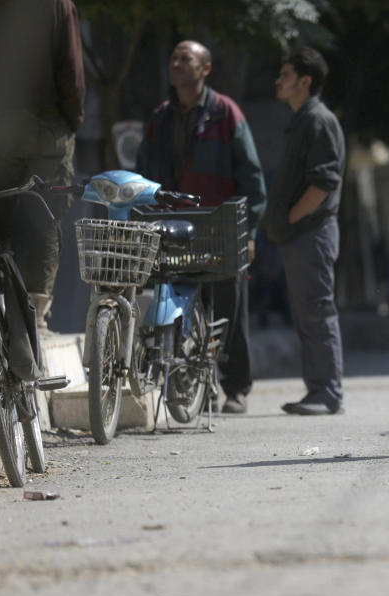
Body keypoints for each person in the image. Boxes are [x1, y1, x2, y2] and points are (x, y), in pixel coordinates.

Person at [135, 40, 267, 414]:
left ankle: (236, 386)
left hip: (219, 228)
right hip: (172, 228)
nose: (177, 64)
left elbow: (252, 178)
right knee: (176, 303)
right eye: (174, 57)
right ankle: (193, 382)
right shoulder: (159, 117)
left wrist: (250, 231)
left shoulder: (225, 113)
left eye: (185, 58)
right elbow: (144, 174)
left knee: (228, 309)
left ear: (205, 68)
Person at [0, 0, 86, 330]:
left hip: (0, 128)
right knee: (45, 219)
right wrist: (71, 120)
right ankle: (36, 314)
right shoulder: (58, 5)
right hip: (48, 132)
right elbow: (71, 68)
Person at [262, 46, 346, 416]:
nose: (278, 81)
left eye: (285, 75)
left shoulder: (317, 119)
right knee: (307, 312)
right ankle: (319, 390)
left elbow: (325, 182)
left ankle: (327, 392)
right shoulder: (302, 119)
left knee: (316, 310)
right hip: (302, 236)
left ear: (305, 81)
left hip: (311, 233)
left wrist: (292, 218)